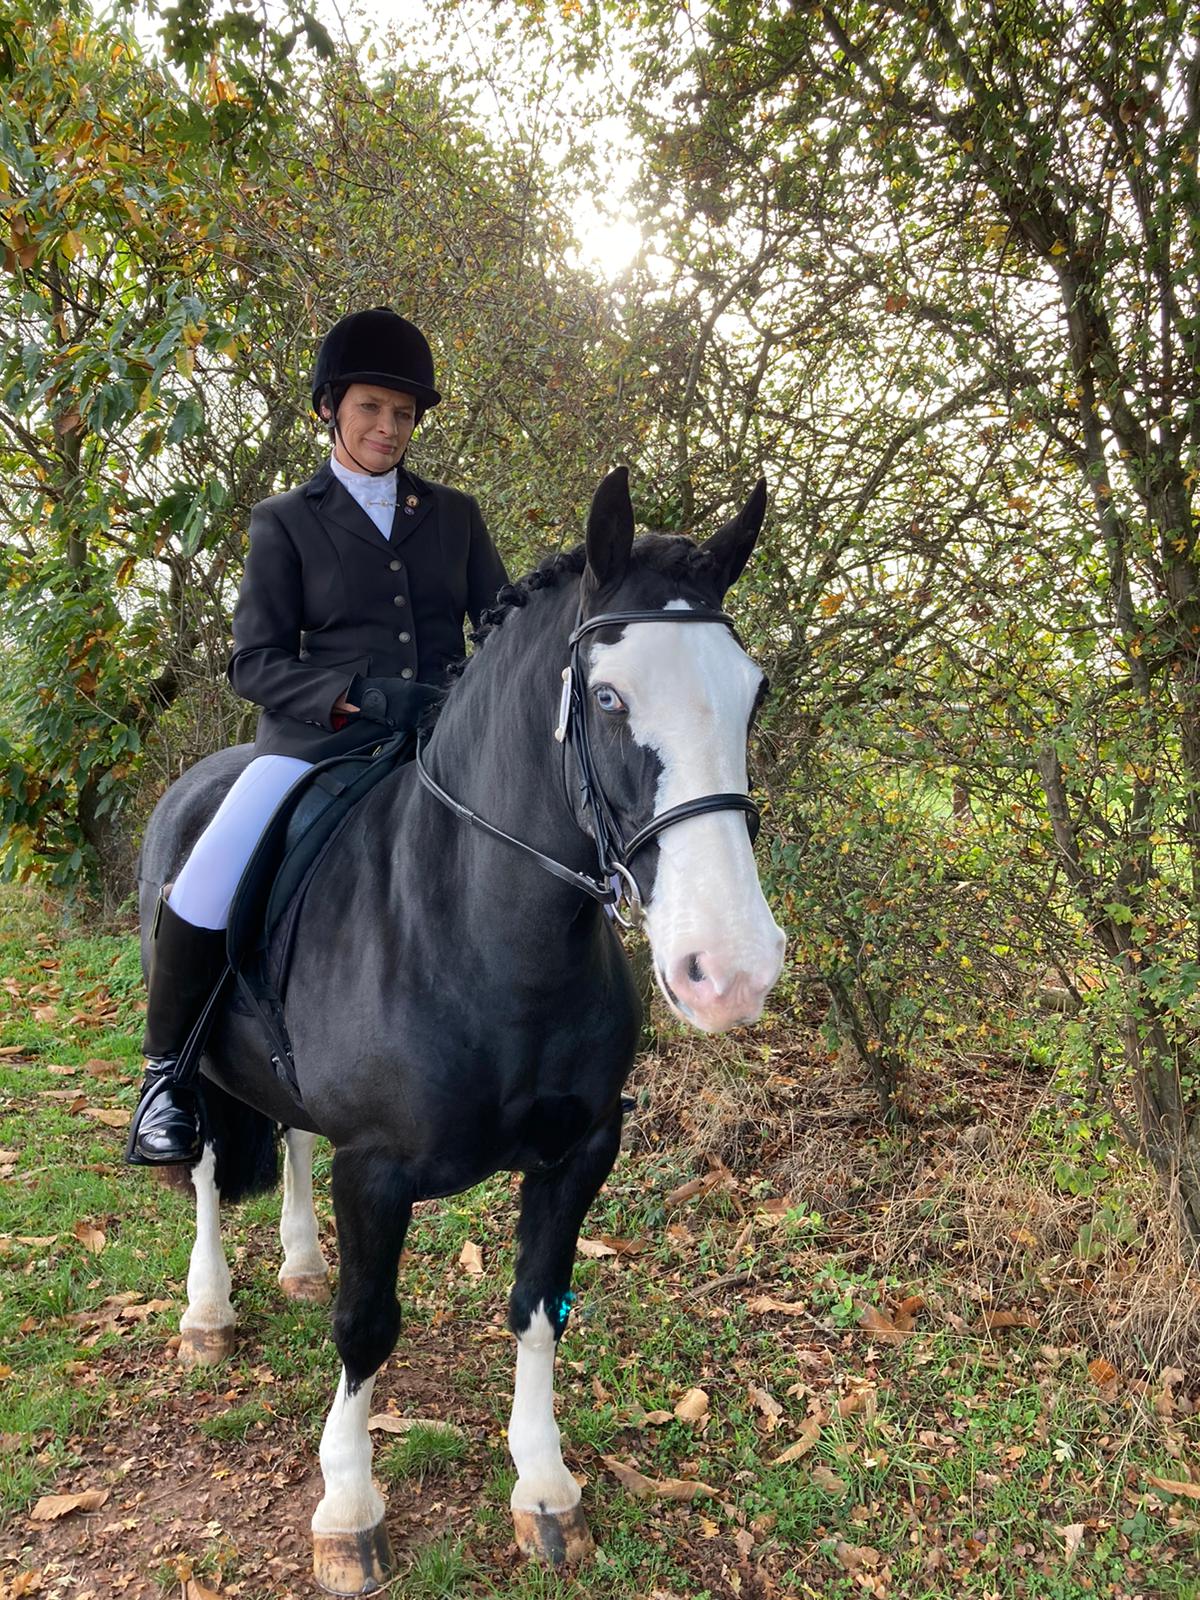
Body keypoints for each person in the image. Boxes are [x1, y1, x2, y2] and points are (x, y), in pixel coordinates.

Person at [128, 307, 509, 1165]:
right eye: (372, 407)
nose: (389, 427)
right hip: (318, 743)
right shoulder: (285, 520)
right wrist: (354, 694)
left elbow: (502, 627)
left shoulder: (455, 515)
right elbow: (252, 662)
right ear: (331, 408)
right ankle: (165, 1078)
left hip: (443, 743)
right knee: (210, 871)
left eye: (403, 413)